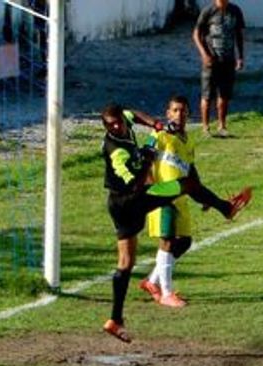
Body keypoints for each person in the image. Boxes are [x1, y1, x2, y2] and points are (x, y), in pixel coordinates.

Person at [100, 103, 251, 343]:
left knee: (126, 264)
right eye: (112, 125)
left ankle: (115, 320)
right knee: (187, 185)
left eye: (119, 121)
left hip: (118, 204)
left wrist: (155, 124)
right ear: (105, 127)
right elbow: (135, 185)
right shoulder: (116, 152)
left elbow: (135, 114)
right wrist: (147, 160)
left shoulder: (125, 120)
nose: (118, 126)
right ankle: (226, 209)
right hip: (131, 201)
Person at [139, 95, 252, 307]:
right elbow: (144, 161)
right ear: (168, 113)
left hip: (180, 196)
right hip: (162, 195)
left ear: (189, 114)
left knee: (184, 242)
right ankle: (166, 293)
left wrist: (203, 197)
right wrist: (153, 191)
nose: (179, 114)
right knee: (167, 240)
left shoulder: (188, 140)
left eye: (183, 111)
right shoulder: (159, 135)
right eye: (175, 110)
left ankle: (151, 282)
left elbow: (190, 170)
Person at [193, 0, 245, 138]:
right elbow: (196, 34)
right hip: (211, 59)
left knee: (224, 95)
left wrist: (240, 56)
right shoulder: (208, 11)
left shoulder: (235, 11)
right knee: (207, 95)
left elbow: (239, 34)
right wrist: (204, 54)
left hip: (228, 59)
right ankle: (205, 127)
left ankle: (222, 125)